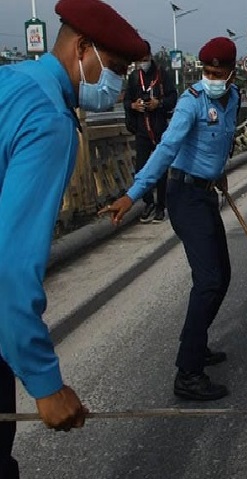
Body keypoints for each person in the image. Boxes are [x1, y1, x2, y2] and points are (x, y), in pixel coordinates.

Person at [0, 0, 146, 475]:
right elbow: (11, 266)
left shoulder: (11, 84)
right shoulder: (48, 120)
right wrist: (45, 383)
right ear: (83, 48)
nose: (117, 86)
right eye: (117, 69)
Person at [101, 37, 241, 402]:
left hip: (206, 191)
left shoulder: (235, 97)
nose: (210, 76)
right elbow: (166, 149)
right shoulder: (190, 102)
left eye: (217, 71)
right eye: (206, 70)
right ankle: (188, 374)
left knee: (222, 276)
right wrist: (133, 195)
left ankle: (196, 343)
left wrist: (218, 171)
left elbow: (222, 140)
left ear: (231, 72)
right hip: (184, 196)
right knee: (208, 280)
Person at [123, 40, 177, 223]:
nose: (141, 63)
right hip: (141, 129)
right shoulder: (133, 78)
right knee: (141, 168)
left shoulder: (162, 75)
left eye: (143, 59)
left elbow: (173, 98)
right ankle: (148, 203)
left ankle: (161, 206)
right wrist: (133, 105)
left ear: (149, 56)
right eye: (138, 60)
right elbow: (126, 100)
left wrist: (159, 103)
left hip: (159, 127)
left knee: (160, 168)